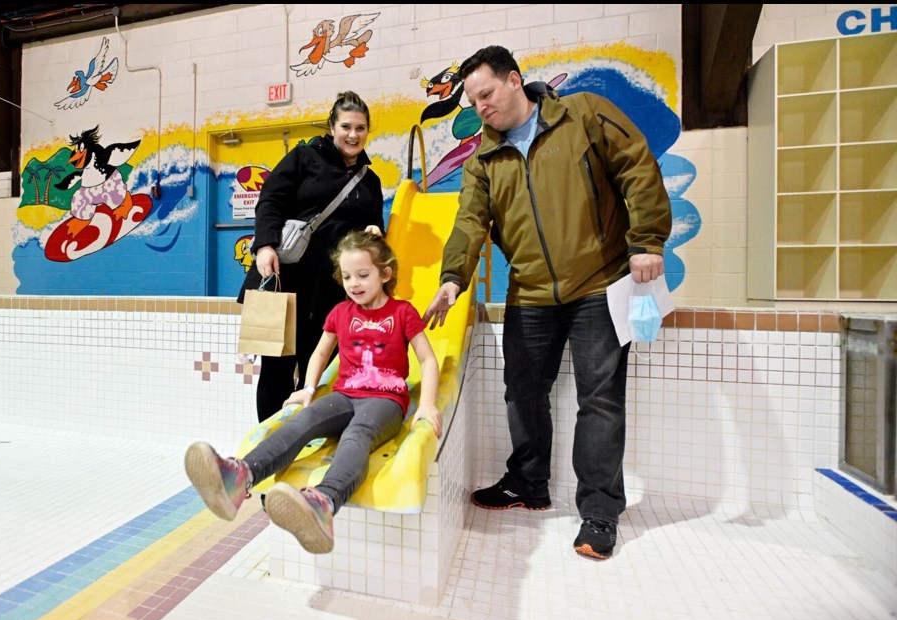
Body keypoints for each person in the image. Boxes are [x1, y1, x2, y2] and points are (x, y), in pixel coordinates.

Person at [423, 45, 671, 560]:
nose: (481, 106)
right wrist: (452, 279)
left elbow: (637, 167)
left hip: (599, 284)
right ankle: (528, 484)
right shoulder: (483, 160)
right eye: (473, 100)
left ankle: (600, 512)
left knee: (599, 399)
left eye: (486, 93)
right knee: (522, 392)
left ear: (515, 81)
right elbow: (470, 222)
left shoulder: (582, 115)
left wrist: (646, 241)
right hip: (530, 292)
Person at [189, 230, 441, 554]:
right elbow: (321, 353)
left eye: (363, 275)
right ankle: (239, 477)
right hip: (345, 394)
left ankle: (324, 502)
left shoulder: (402, 312)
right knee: (302, 422)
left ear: (385, 274)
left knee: (357, 436)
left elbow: (428, 359)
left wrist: (428, 405)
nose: (354, 283)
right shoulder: (341, 313)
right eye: (348, 276)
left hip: (385, 401)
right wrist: (308, 388)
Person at [239, 91, 385, 422]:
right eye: (346, 126)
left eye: (361, 128)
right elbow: (270, 200)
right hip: (284, 280)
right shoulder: (304, 158)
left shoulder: (370, 181)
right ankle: (269, 443)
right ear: (332, 127)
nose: (353, 135)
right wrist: (264, 245)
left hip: (331, 290)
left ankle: (306, 441)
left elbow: (375, 225)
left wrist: (376, 231)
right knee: (276, 369)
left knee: (315, 370)